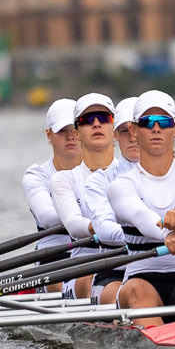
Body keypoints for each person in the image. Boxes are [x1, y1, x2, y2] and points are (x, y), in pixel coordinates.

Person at [106, 90, 175, 320]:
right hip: (140, 280)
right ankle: (160, 341)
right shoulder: (121, 185)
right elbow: (139, 215)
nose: (156, 128)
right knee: (139, 291)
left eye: (164, 122)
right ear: (135, 131)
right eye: (147, 122)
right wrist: (167, 234)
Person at [52, 93, 122, 297]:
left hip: (131, 264)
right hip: (84, 269)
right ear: (77, 132)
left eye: (104, 118)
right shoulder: (64, 180)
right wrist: (103, 227)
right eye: (88, 120)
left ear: (114, 130)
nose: (97, 124)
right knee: (107, 284)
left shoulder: (132, 175)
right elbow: (73, 224)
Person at [22, 98, 81, 231]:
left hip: (97, 248)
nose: (70, 136)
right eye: (62, 131)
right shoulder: (37, 176)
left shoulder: (103, 169)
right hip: (55, 247)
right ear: (49, 134)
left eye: (74, 129)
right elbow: (47, 218)